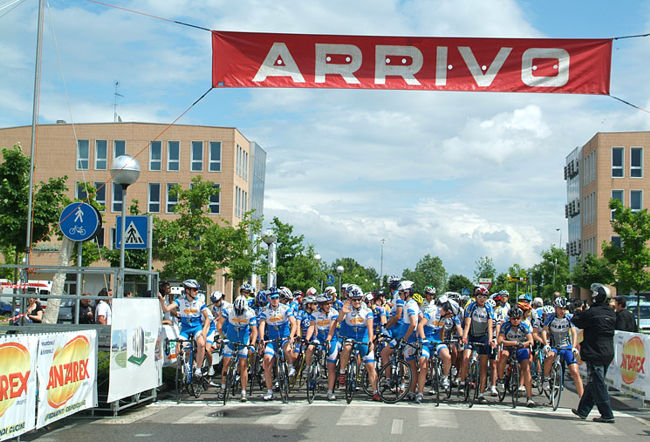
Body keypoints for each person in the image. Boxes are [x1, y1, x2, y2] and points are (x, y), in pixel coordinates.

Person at [571, 283, 616, 423]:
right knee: (593, 381)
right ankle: (583, 410)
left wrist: (578, 311)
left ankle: (607, 414)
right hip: (608, 352)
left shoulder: (592, 312)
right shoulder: (611, 313)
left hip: (595, 351)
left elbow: (577, 321)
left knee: (598, 383)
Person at [157, 279, 210, 377]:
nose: (196, 291)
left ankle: (198, 368)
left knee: (201, 344)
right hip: (185, 328)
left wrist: (204, 332)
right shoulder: (180, 300)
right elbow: (166, 309)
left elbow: (207, 318)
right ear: (187, 291)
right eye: (194, 289)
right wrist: (162, 300)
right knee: (179, 348)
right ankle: (186, 366)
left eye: (197, 289)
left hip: (197, 328)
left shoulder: (200, 302)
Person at [336, 286, 380, 401]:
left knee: (370, 366)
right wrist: (342, 312)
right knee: (346, 347)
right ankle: (342, 373)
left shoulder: (367, 311)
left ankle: (375, 391)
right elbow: (339, 320)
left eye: (359, 299)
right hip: (350, 336)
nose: (357, 302)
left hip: (363, 338)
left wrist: (371, 341)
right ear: (350, 299)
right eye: (354, 299)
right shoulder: (346, 308)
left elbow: (370, 328)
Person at [258, 287, 297, 401]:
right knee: (267, 361)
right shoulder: (265, 311)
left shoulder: (285, 308)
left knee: (288, 350)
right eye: (272, 298)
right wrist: (261, 339)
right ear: (269, 299)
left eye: (277, 298)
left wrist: (291, 336)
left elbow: (293, 323)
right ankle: (269, 391)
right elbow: (261, 325)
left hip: (285, 338)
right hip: (272, 340)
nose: (275, 300)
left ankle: (290, 366)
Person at [218, 295, 258, 402]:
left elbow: (254, 331)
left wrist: (253, 344)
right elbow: (219, 324)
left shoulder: (251, 312)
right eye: (237, 311)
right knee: (226, 363)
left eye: (241, 312)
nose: (239, 314)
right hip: (231, 336)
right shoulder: (228, 310)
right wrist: (222, 337)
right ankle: (222, 387)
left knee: (243, 365)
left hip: (243, 338)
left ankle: (243, 391)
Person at [542, 297, 584, 397]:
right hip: (554, 345)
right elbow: (544, 330)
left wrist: (574, 347)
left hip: (567, 346)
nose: (562, 311)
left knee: (575, 371)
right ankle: (546, 379)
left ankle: (582, 398)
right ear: (555, 308)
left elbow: (574, 332)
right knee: (549, 357)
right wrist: (546, 344)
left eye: (564, 308)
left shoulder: (569, 317)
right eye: (560, 308)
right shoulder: (550, 317)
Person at [460, 286, 495, 403]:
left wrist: (490, 340)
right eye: (479, 297)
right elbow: (467, 324)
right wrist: (464, 337)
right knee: (466, 358)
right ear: (475, 297)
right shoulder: (471, 306)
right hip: (471, 335)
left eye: (484, 297)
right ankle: (463, 380)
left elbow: (490, 326)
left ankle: (481, 393)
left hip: (484, 336)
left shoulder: (489, 308)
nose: (481, 299)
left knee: (484, 366)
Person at [497, 306, 535, 407]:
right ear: (510, 318)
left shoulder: (524, 326)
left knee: (526, 369)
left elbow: (531, 341)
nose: (516, 320)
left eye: (518, 318)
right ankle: (500, 379)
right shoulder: (505, 326)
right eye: (513, 318)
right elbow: (500, 340)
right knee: (504, 355)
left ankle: (529, 397)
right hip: (509, 347)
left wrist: (523, 344)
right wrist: (512, 342)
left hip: (521, 348)